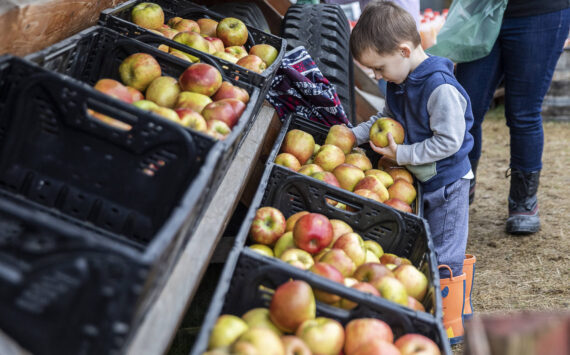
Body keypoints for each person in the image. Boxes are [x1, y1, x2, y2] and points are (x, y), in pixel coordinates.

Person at [349, 1, 474, 344]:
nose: (376, 76)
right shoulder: (399, 80)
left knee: (446, 254)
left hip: (448, 183)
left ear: (404, 50)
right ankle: (448, 311)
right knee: (430, 247)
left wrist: (402, 154)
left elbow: (450, 140)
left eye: (378, 68)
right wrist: (355, 135)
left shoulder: (438, 87)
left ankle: (452, 327)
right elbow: (385, 119)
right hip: (424, 179)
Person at [454, 1, 570, 235]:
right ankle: (461, 185)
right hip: (482, 10)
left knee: (523, 113)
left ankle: (523, 201)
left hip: (540, 13)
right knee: (463, 107)